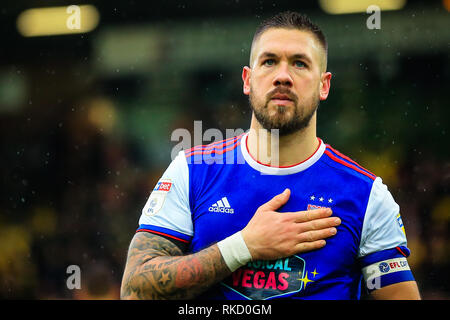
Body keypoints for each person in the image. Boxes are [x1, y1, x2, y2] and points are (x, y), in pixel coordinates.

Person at [120, 11, 420, 300]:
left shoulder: (367, 195)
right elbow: (135, 289)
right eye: (269, 61)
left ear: (324, 85)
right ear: (248, 80)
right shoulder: (192, 171)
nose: (283, 76)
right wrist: (245, 246)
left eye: (300, 64)